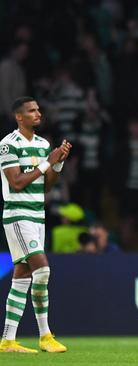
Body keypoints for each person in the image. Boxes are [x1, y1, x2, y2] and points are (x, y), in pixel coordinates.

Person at [0, 96, 71, 353]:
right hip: (18, 215)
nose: (38, 113)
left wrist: (58, 162)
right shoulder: (8, 145)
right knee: (42, 271)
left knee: (22, 276)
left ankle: (8, 340)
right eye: (31, 111)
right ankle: (45, 335)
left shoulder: (43, 144)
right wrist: (47, 162)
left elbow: (46, 185)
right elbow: (16, 182)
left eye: (38, 109)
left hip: (37, 215)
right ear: (19, 117)